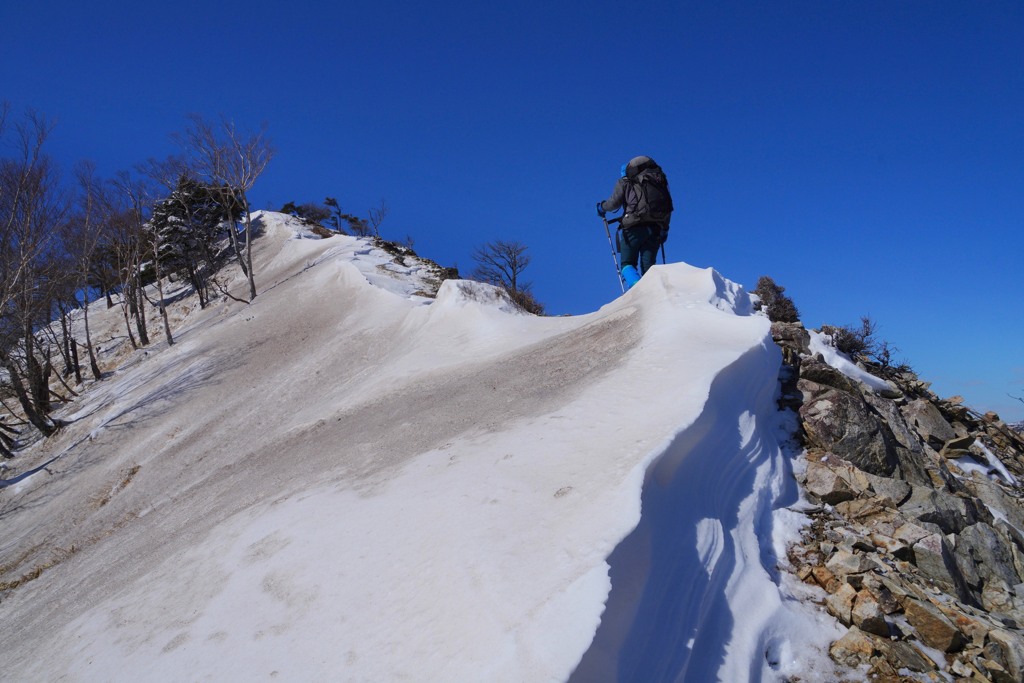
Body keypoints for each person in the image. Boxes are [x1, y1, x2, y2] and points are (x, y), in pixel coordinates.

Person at [597, 156, 673, 289]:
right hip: (655, 228)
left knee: (627, 264)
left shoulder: (625, 181)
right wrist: (664, 230)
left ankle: (638, 290)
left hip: (633, 227)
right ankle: (653, 292)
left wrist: (601, 207)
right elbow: (667, 206)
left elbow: (613, 204)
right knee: (649, 267)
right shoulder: (658, 181)